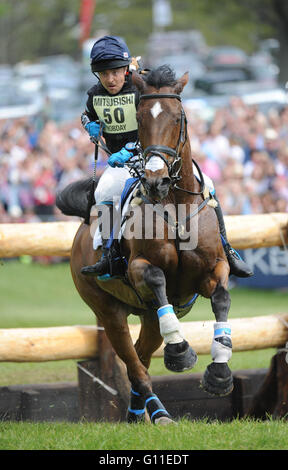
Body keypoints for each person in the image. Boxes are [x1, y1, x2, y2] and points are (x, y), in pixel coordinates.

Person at [80, 35, 252, 279]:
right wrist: (89, 124)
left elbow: (157, 120)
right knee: (105, 189)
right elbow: (87, 113)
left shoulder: (141, 87)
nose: (110, 79)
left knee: (209, 185)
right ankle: (110, 256)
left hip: (152, 157)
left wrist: (132, 148)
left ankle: (227, 249)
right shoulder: (94, 94)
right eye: (104, 73)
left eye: (115, 72)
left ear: (126, 68)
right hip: (120, 163)